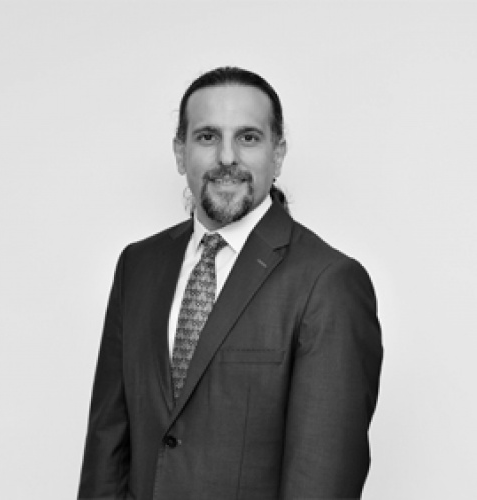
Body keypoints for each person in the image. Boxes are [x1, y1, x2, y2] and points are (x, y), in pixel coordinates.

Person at [78, 66, 383, 500]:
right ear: (180, 152)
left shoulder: (328, 283)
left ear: (278, 154)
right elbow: (107, 449)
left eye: (248, 137)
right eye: (207, 137)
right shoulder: (138, 266)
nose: (226, 157)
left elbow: (322, 477)